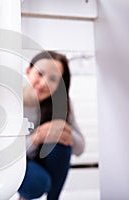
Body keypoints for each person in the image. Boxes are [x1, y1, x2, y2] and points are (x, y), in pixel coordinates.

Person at [18, 51, 85, 200]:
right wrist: (37, 137)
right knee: (39, 183)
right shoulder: (10, 100)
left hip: (42, 158)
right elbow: (5, 152)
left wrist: (61, 127)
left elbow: (80, 148)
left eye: (53, 79)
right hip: (16, 160)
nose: (44, 83)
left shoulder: (62, 104)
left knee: (62, 143)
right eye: (40, 74)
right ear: (28, 71)